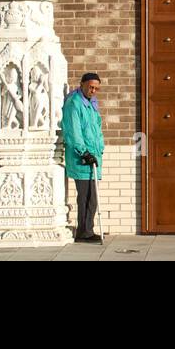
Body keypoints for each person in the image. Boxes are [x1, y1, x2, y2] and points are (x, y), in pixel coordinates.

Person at [62, 72, 105, 243]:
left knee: (92, 198)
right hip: (81, 159)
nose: (93, 90)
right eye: (90, 87)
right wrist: (84, 152)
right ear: (82, 85)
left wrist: (99, 149)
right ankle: (84, 232)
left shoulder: (92, 104)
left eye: (96, 88)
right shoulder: (74, 103)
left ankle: (87, 229)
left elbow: (97, 129)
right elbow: (73, 131)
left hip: (93, 158)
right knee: (85, 197)